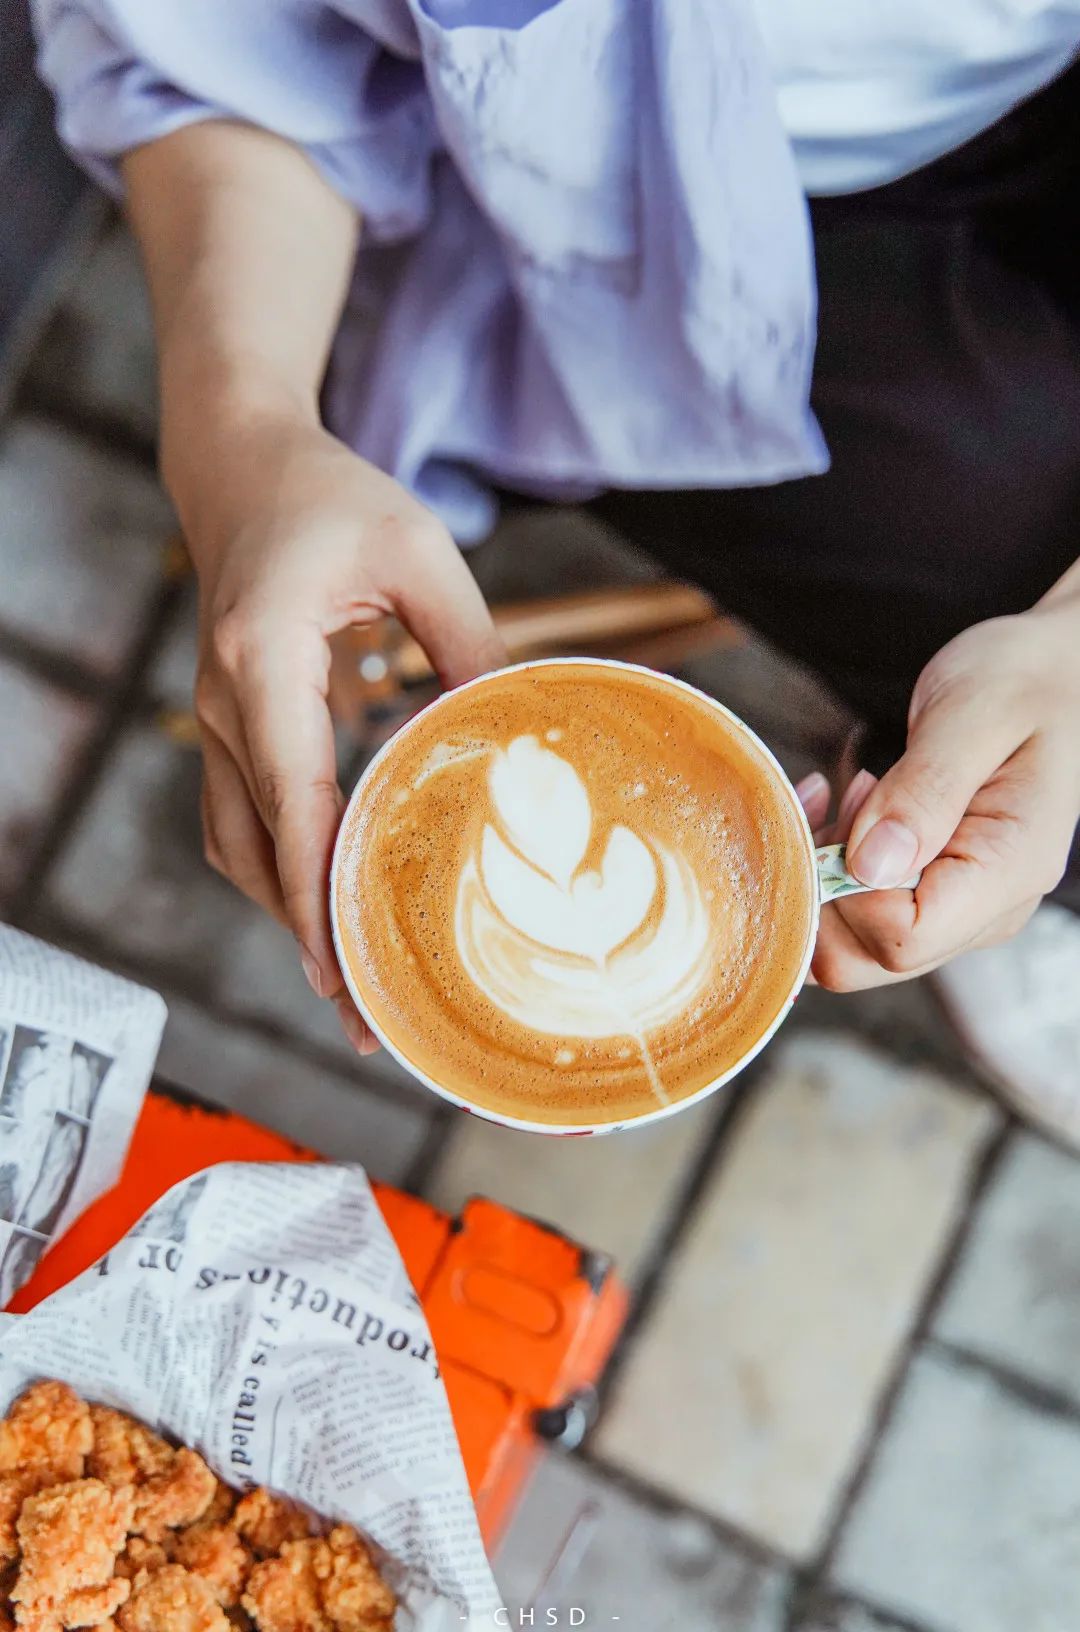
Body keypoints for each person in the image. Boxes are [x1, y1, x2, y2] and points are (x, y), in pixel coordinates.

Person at [32, 2, 1080, 1142]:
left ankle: (1012, 856)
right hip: (615, 231)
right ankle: (991, 858)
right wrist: (243, 428)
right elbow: (227, 41)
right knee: (1006, 601)